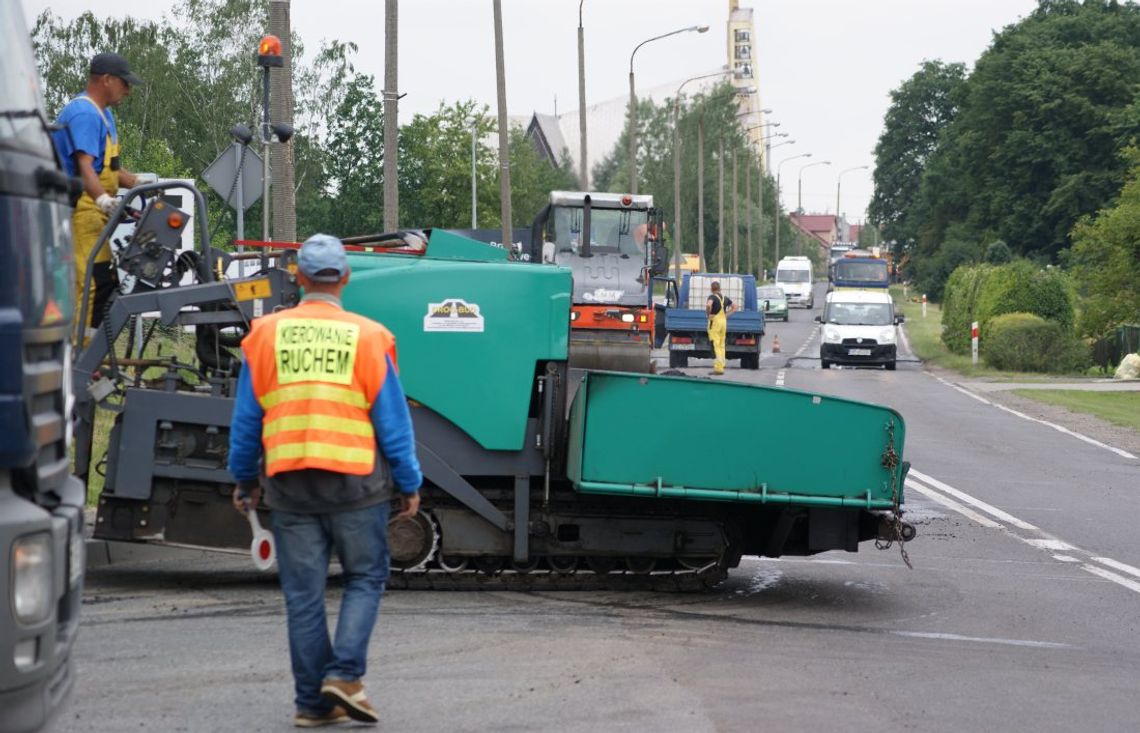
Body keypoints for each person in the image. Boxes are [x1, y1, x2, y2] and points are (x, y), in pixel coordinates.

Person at [228, 233, 423, 728]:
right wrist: (409, 481)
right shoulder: (370, 337)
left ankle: (314, 704)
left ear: (298, 277)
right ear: (347, 278)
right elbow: (392, 422)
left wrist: (244, 479)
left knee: (303, 595)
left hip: (289, 485)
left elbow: (247, 422)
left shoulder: (265, 334)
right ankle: (344, 675)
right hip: (356, 485)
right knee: (365, 577)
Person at [51, 52, 142, 337]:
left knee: (104, 285)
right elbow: (85, 166)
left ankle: (94, 361)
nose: (128, 90)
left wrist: (139, 183)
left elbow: (110, 170)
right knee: (88, 286)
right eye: (124, 83)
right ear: (106, 80)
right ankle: (79, 363)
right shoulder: (84, 114)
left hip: (94, 219)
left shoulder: (104, 115)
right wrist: (105, 200)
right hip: (77, 214)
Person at [706, 281, 736, 375]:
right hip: (723, 322)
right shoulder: (725, 298)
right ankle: (722, 365)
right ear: (719, 288)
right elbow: (735, 306)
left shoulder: (712, 297)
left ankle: (718, 368)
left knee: (715, 343)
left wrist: (708, 314)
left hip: (715, 322)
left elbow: (708, 305)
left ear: (711, 289)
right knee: (722, 344)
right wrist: (727, 315)